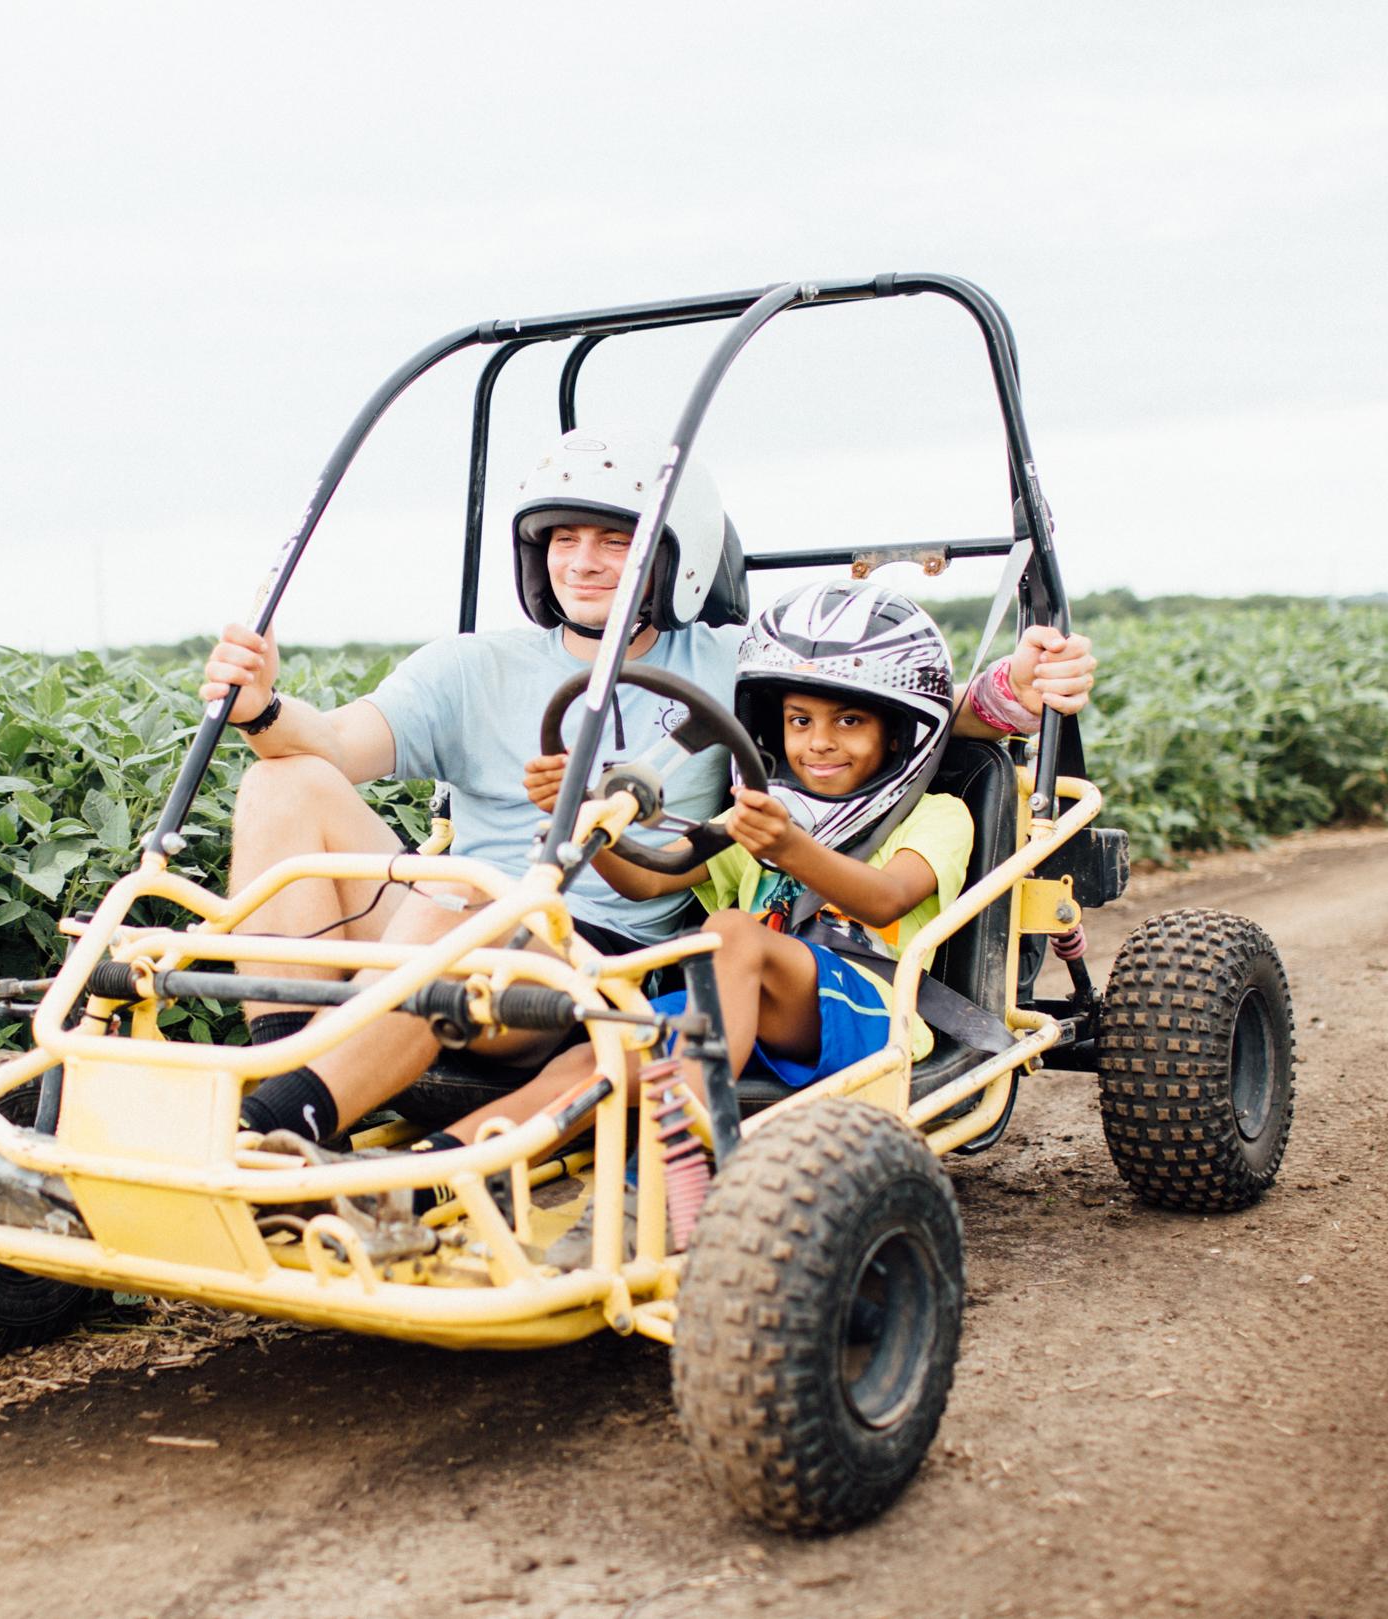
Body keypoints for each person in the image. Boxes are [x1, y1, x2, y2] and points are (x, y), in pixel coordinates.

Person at [200, 427, 1095, 1149]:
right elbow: (329, 743)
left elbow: (877, 702)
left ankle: (290, 1112)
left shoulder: (732, 661)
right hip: (440, 937)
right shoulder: (467, 667)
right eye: (563, 539)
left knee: (468, 904)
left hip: (583, 961)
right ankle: (285, 1081)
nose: (582, 561)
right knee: (285, 784)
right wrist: (261, 705)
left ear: (676, 554)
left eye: (613, 539)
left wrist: (1017, 687)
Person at [428, 576, 982, 1163]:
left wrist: (789, 847)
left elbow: (889, 898)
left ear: (899, 732)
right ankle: (432, 1170)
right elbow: (651, 880)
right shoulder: (768, 814)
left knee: (735, 932)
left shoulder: (937, 815)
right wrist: (581, 812)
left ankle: (673, 1177)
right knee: (601, 1052)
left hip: (869, 1012)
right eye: (800, 721)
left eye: (848, 722)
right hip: (735, 1006)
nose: (819, 743)